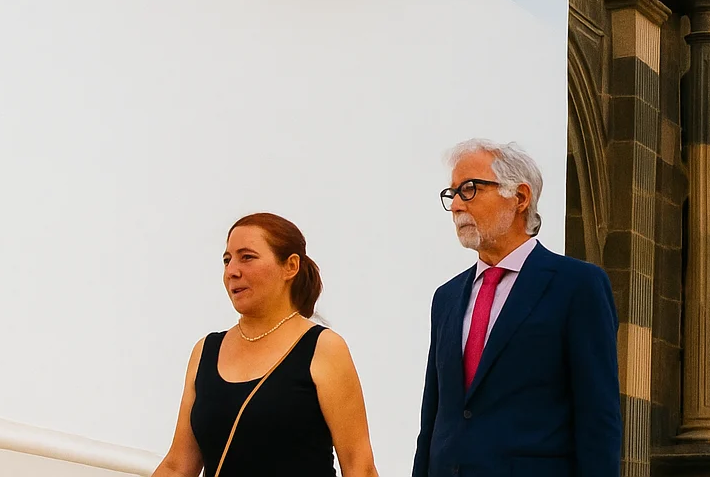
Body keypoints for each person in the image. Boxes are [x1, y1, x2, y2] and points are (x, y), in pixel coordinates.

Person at [413, 139, 621, 477]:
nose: (455, 206)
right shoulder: (446, 297)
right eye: (451, 195)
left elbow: (598, 416)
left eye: (469, 189)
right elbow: (434, 414)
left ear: (520, 197)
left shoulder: (577, 285)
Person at [152, 213, 379, 477]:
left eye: (247, 257)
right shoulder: (206, 350)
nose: (232, 271)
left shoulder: (323, 348)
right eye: (227, 260)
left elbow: (359, 467)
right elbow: (178, 465)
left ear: (290, 267)